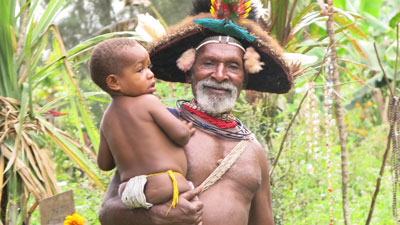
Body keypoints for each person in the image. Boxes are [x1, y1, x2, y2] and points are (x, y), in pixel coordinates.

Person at [98, 0, 297, 224]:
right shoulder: (161, 128)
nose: (220, 75)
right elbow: (107, 211)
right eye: (209, 63)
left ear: (245, 79)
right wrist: (155, 216)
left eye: (232, 66)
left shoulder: (253, 150)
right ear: (189, 72)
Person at [89, 37, 196, 212]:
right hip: (165, 183)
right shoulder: (148, 102)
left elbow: (105, 164)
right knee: (192, 214)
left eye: (149, 67)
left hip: (129, 192)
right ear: (114, 82)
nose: (150, 74)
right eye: (140, 70)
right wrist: (185, 129)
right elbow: (181, 136)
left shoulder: (107, 119)